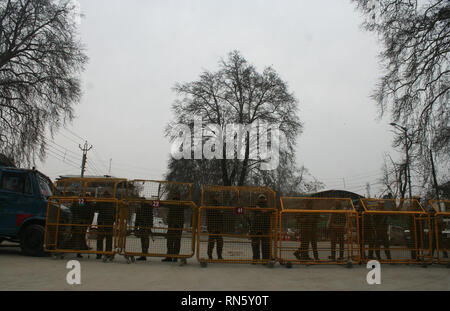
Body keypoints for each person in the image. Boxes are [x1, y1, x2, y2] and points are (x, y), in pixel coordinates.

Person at [162, 192, 184, 262]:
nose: (175, 195)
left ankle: (172, 257)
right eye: (175, 194)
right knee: (172, 241)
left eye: (176, 194)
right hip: (174, 225)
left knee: (173, 241)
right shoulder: (179, 203)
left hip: (176, 225)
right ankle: (172, 257)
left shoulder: (179, 203)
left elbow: (164, 204)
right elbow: (164, 204)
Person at [250, 194, 272, 262]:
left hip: (265, 228)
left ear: (265, 199)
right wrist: (257, 208)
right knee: (255, 244)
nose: (262, 199)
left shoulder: (268, 206)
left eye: (263, 198)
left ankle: (265, 259)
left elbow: (275, 209)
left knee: (266, 244)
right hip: (256, 228)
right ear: (258, 199)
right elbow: (249, 207)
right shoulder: (255, 205)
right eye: (260, 198)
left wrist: (265, 210)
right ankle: (255, 259)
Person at [96, 190, 116, 260]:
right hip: (108, 221)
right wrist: (115, 220)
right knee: (108, 238)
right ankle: (107, 253)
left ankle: (99, 253)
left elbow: (95, 208)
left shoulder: (101, 201)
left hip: (102, 221)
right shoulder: (113, 202)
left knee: (101, 238)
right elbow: (115, 212)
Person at [206, 193, 224, 260]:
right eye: (216, 196)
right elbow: (209, 211)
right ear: (212, 197)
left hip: (218, 226)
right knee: (211, 242)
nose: (217, 197)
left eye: (217, 196)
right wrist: (219, 211)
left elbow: (221, 214)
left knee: (220, 242)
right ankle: (210, 255)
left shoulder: (219, 204)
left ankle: (219, 255)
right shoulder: (209, 204)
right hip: (212, 226)